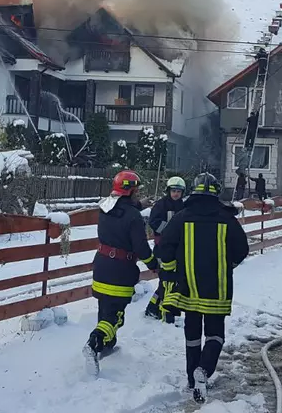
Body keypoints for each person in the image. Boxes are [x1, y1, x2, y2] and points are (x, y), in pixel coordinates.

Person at [157, 172, 250, 403]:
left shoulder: (181, 217)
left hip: (187, 288)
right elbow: (242, 249)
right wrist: (228, 266)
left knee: (192, 332)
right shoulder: (227, 218)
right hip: (217, 288)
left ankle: (191, 377)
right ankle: (205, 370)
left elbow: (164, 249)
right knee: (215, 333)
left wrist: (173, 270)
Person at [84, 170, 158, 371]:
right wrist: (154, 265)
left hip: (101, 266)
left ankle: (106, 347)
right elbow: (141, 247)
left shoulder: (105, 209)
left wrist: (140, 204)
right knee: (115, 316)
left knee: (104, 309)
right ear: (132, 190)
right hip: (121, 270)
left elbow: (122, 211)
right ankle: (94, 343)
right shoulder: (133, 216)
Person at [145, 176, 187, 322]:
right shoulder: (161, 205)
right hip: (162, 248)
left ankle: (153, 307)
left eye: (178, 191)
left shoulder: (183, 206)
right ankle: (162, 311)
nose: (176, 194)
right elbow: (153, 222)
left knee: (168, 281)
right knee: (166, 280)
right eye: (173, 191)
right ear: (168, 191)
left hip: (178, 249)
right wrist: (169, 231)